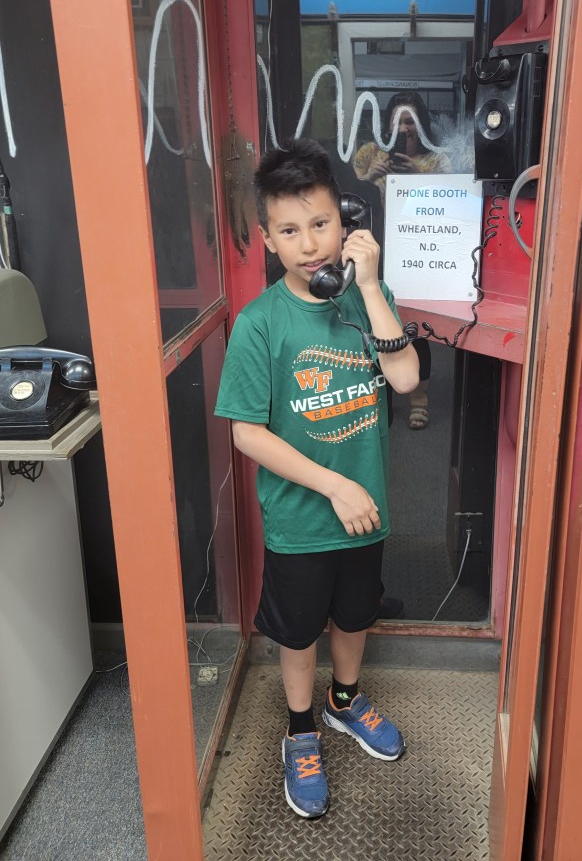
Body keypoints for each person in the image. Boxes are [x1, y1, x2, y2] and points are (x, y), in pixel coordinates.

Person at [214, 137, 419, 819]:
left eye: (322, 224)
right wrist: (333, 485)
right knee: (299, 631)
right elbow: (247, 433)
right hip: (303, 519)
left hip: (366, 511)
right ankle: (300, 729)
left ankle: (344, 701)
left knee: (355, 614)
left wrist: (370, 287)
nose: (309, 245)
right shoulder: (259, 324)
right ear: (268, 239)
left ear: (347, 221)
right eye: (290, 231)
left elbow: (405, 377)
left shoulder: (367, 300)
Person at [354, 91, 451, 430]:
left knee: (415, 327)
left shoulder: (437, 160)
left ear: (421, 124)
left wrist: (418, 179)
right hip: (375, 251)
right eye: (397, 121)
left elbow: (452, 206)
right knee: (372, 325)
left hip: (418, 253)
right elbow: (344, 200)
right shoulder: (369, 154)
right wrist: (368, 178)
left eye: (410, 121)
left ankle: (419, 399)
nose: (404, 128)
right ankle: (379, 402)